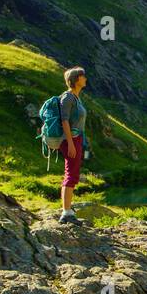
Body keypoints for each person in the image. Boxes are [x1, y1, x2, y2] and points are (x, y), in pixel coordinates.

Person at [58, 66, 89, 223]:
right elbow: (64, 120)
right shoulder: (68, 97)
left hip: (77, 139)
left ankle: (68, 209)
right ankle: (66, 213)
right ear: (76, 79)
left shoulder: (76, 97)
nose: (85, 79)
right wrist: (70, 143)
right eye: (83, 76)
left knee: (73, 173)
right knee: (70, 174)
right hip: (70, 139)